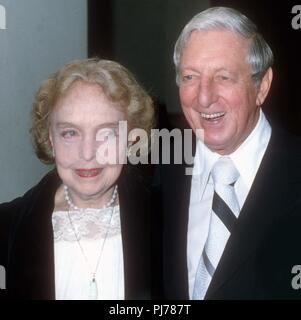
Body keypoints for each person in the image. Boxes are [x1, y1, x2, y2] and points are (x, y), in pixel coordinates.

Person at [160, 7, 301, 299]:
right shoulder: (159, 167)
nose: (204, 97)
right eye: (189, 77)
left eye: (223, 77)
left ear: (261, 86)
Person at [0, 58, 155, 299]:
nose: (87, 152)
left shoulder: (168, 221)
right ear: (51, 139)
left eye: (106, 133)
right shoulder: (7, 227)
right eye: (70, 133)